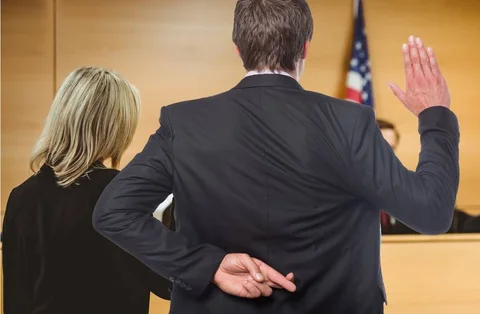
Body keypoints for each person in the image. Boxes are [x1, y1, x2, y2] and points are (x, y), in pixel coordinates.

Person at [92, 1, 459, 313]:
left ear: (238, 47)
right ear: (305, 48)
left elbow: (113, 212)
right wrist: (435, 117)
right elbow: (431, 213)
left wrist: (208, 266)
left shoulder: (183, 123)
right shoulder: (351, 122)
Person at [1, 67, 171, 314]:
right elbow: (166, 283)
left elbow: (15, 300)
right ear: (115, 128)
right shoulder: (123, 192)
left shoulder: (21, 197)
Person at [377, 119, 480, 234]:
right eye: (379, 146)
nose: (386, 154)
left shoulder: (407, 189)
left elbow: (455, 224)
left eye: (391, 148)